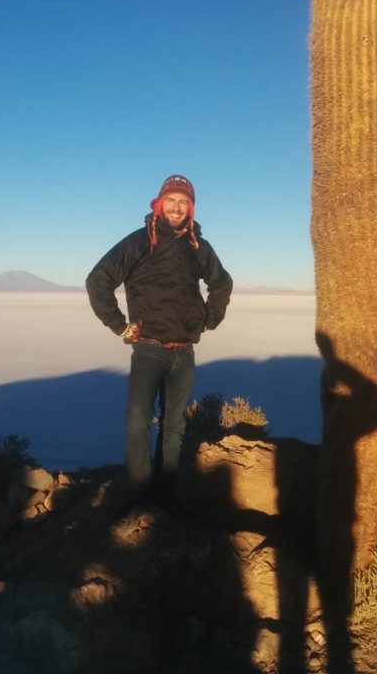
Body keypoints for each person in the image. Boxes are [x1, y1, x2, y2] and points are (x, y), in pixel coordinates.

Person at [86, 174, 232, 509]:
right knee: (138, 419)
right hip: (149, 349)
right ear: (159, 204)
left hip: (184, 351)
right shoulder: (139, 242)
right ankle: (138, 491)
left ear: (190, 209)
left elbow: (222, 283)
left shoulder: (197, 246)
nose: (177, 207)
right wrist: (120, 326)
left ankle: (167, 493)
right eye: (171, 201)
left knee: (175, 426)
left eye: (184, 202)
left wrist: (211, 317)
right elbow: (98, 281)